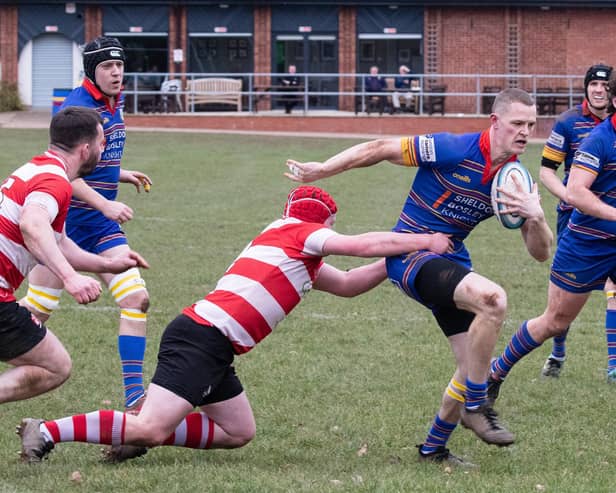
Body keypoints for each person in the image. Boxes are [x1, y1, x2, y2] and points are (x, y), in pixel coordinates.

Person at [18, 185, 453, 464]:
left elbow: (349, 284)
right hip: (201, 338)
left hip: (214, 345)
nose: (331, 237)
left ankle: (141, 433)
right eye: (331, 229)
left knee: (237, 432)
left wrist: (399, 259)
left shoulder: (294, 256)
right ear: (320, 222)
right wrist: (425, 241)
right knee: (151, 424)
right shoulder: (298, 233)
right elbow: (360, 245)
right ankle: (48, 431)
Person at [284, 88, 553, 465]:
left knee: (470, 363)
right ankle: (476, 405)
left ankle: (433, 448)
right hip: (409, 255)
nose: (525, 132)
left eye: (531, 125)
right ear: (495, 122)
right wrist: (324, 169)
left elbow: (541, 253)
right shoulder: (453, 148)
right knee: (493, 300)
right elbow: (380, 147)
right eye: (517, 124)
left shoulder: (514, 181)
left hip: (450, 261)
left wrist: (535, 216)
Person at [20, 36, 153, 415]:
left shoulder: (114, 102)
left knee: (136, 299)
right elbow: (64, 172)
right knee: (34, 316)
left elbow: (93, 160)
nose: (116, 73)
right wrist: (105, 202)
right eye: (108, 67)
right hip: (66, 222)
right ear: (91, 70)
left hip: (98, 225)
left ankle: (134, 397)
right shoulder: (79, 108)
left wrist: (119, 174)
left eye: (120, 65)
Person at [0, 106, 148, 409]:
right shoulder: (54, 181)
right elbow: (32, 224)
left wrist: (107, 265)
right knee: (55, 366)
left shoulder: (37, 168)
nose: (104, 149)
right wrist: (70, 279)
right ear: (85, 149)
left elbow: (59, 242)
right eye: (101, 143)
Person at [488, 71, 616, 404]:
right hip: (588, 244)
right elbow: (575, 191)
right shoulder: (599, 140)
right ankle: (495, 372)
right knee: (555, 322)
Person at [538, 64, 613, 378]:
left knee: (613, 287)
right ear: (586, 88)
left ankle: (613, 365)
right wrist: (568, 196)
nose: (597, 90)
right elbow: (546, 171)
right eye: (592, 85)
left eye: (603, 86)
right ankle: (557, 354)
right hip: (575, 218)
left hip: (608, 219)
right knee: (564, 294)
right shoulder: (569, 122)